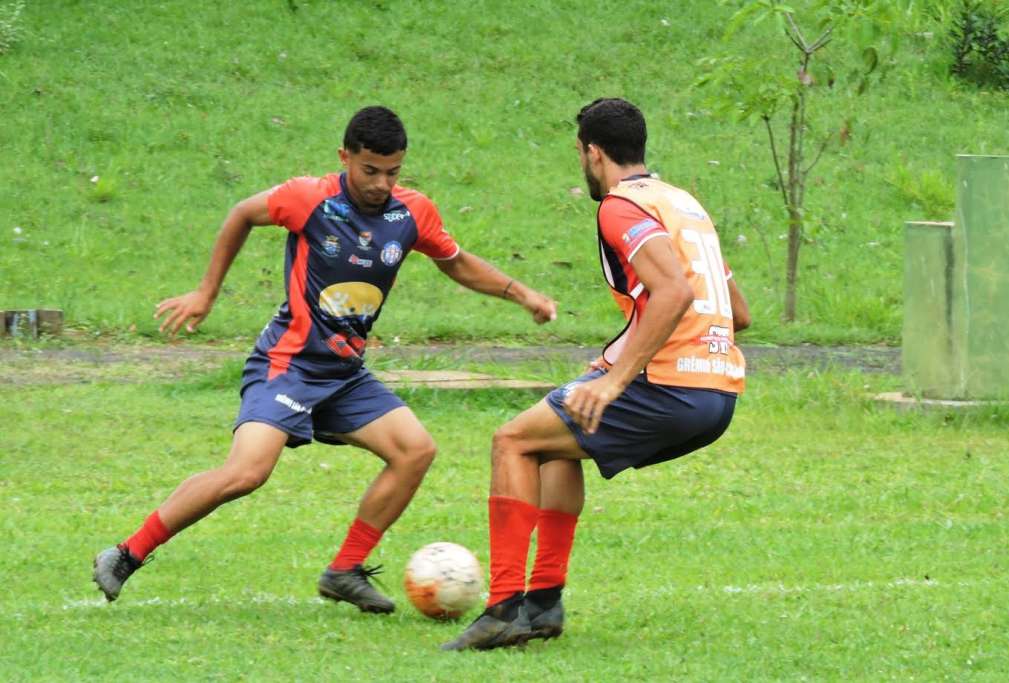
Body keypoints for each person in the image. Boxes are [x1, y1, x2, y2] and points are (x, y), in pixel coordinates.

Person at [92, 105, 557, 613]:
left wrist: (522, 294)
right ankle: (126, 554)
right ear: (345, 157)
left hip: (344, 374)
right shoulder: (309, 199)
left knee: (415, 450)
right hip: (287, 364)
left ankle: (344, 570)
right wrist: (206, 294)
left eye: (393, 172)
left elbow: (458, 263)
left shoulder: (411, 213)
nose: (381, 183)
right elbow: (242, 214)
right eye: (370, 171)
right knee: (247, 472)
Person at [443, 98, 750, 650]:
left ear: (593, 152)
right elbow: (738, 312)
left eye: (581, 155)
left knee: (511, 441)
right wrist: (613, 362)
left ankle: (503, 609)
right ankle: (542, 603)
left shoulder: (620, 206)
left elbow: (674, 291)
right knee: (558, 443)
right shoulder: (683, 204)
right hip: (718, 393)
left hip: (670, 387)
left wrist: (615, 380)